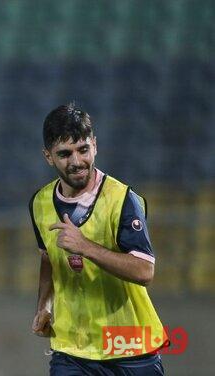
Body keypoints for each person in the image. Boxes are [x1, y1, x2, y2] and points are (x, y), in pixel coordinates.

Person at [29, 103, 167, 375]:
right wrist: (44, 305)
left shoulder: (122, 199)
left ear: (95, 145)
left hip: (129, 347)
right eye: (64, 154)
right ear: (48, 156)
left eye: (83, 149)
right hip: (72, 350)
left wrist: (85, 247)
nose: (77, 161)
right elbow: (48, 257)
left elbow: (144, 270)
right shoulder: (40, 202)